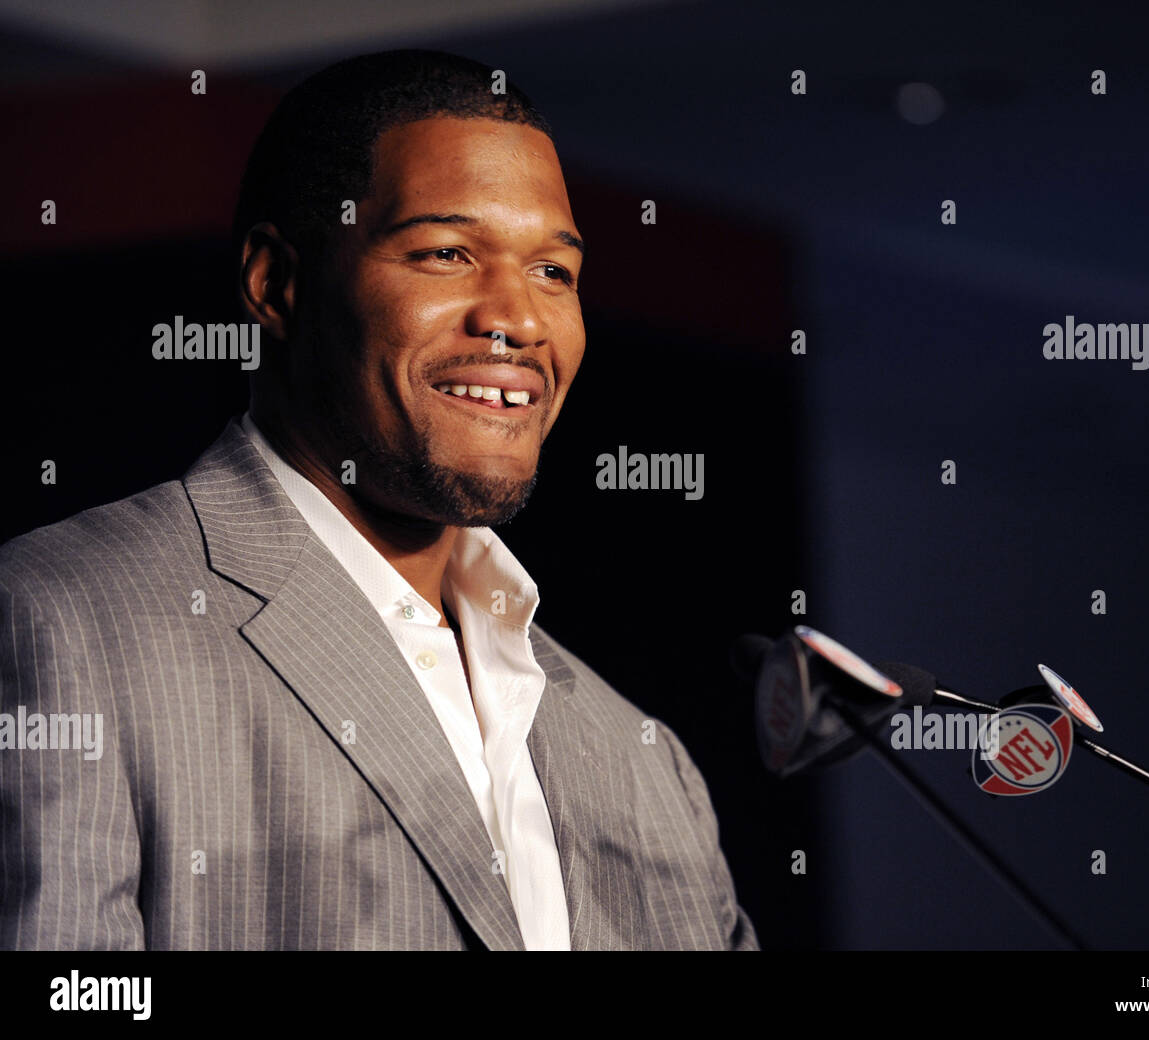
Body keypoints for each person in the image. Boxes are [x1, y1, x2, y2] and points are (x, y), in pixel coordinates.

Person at [0, 49, 757, 951]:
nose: (515, 316)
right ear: (276, 285)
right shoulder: (62, 620)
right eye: (447, 253)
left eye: (554, 272)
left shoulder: (646, 767)